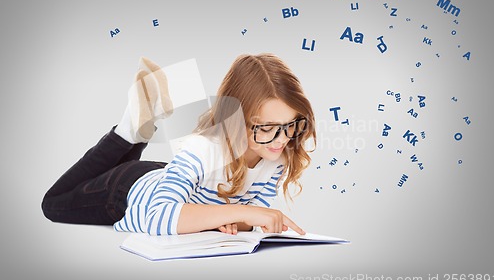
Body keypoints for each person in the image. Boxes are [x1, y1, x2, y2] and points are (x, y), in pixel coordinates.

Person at [42, 53, 316, 236]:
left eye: (291, 124)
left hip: (168, 176)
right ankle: (128, 132)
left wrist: (231, 218)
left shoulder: (275, 156)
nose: (282, 139)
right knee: (53, 203)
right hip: (127, 191)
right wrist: (236, 213)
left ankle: (139, 128)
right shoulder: (203, 149)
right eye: (266, 128)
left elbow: (249, 221)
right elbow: (158, 216)